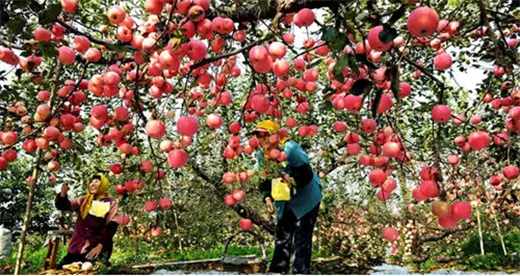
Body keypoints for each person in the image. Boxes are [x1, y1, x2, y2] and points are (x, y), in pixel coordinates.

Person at [253, 120, 322, 274]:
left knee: (302, 239)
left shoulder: (289, 149)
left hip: (307, 199)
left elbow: (306, 173)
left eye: (265, 135)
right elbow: (264, 179)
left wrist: (293, 180)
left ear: (274, 135)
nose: (262, 139)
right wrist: (267, 198)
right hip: (285, 201)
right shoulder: (261, 155)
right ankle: (277, 271)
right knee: (282, 237)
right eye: (258, 135)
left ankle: (300, 272)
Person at [55, 173, 119, 269]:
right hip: (76, 248)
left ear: (103, 185)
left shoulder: (111, 203)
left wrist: (100, 245)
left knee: (89, 269)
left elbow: (111, 225)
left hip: (95, 248)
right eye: (91, 182)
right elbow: (65, 206)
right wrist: (63, 195)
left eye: (97, 182)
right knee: (62, 269)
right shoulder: (83, 201)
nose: (92, 184)